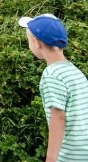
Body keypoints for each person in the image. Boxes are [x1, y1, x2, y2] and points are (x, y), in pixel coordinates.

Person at [18, 13, 88, 161]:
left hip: (71, 155)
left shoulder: (52, 75)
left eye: (28, 41)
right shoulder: (73, 71)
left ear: (37, 43)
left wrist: (50, 158)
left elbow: (58, 117)